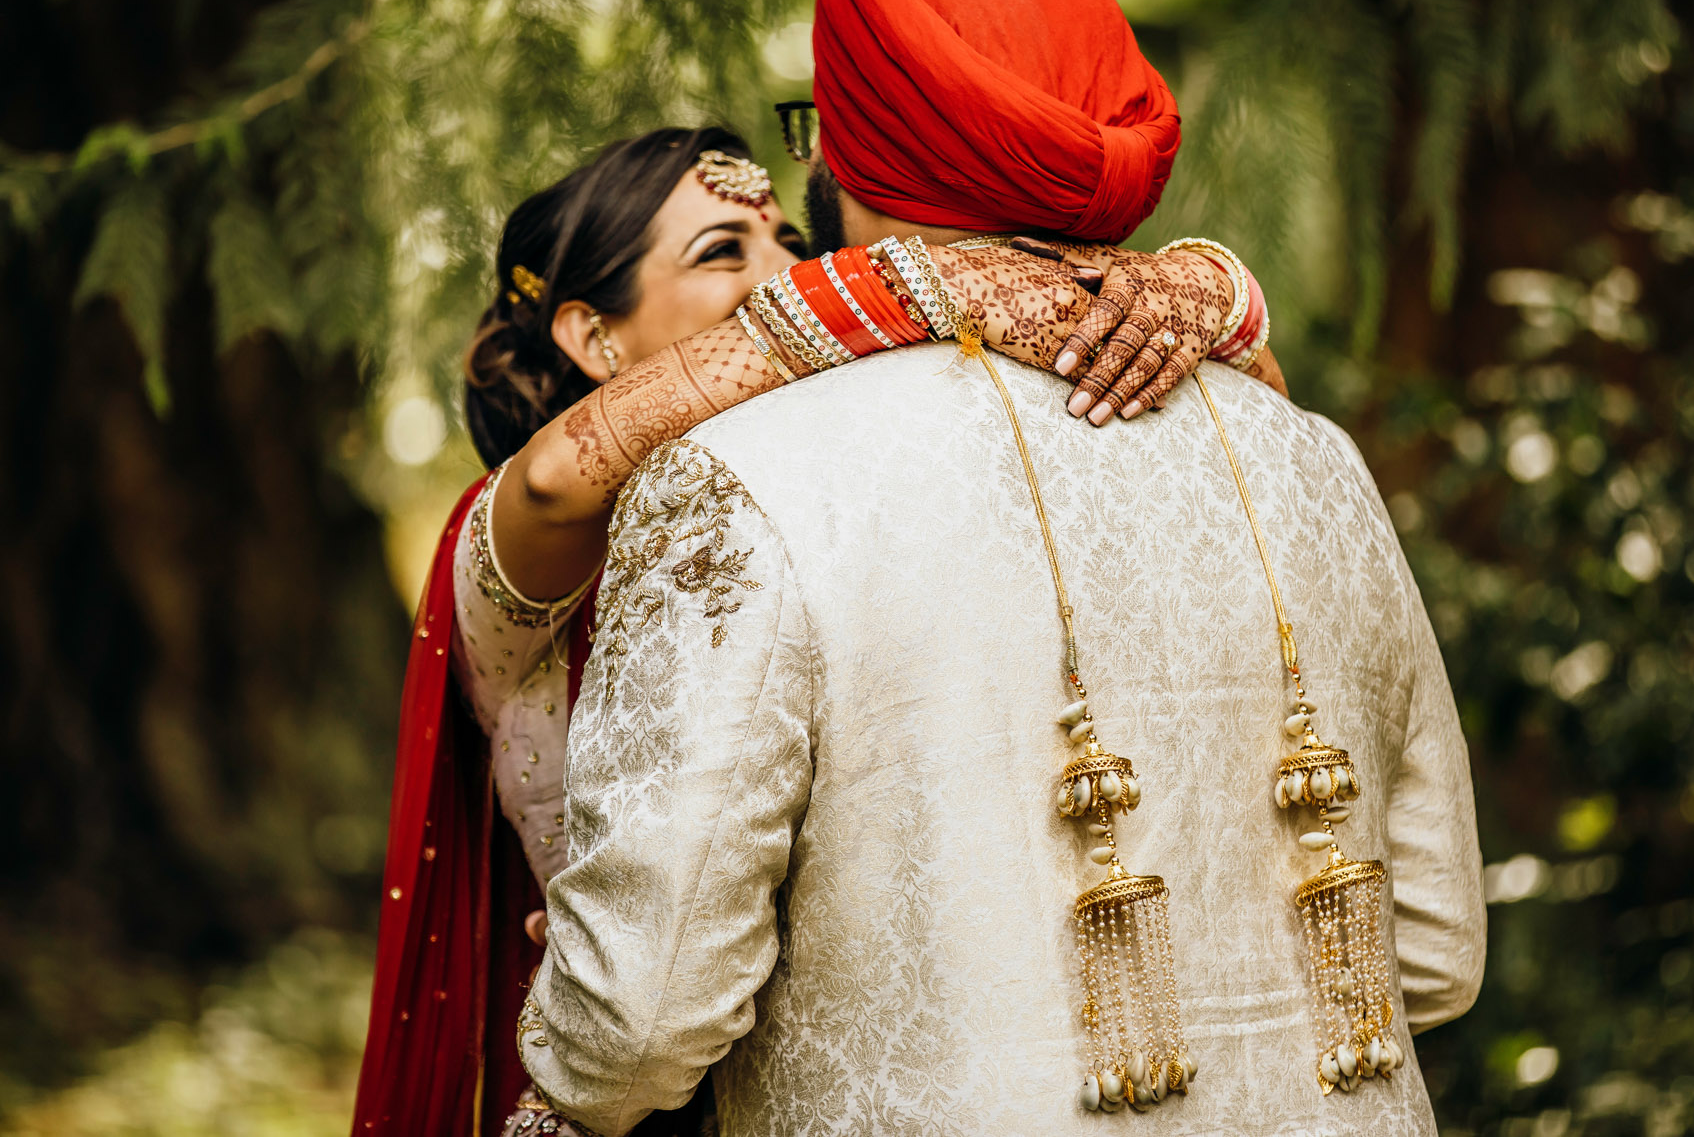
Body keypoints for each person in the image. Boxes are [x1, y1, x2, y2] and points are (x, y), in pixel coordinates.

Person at [516, 0, 1483, 1137]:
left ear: (863, 150)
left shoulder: (739, 472)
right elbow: (1434, 953)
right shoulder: (1314, 460)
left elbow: (637, 1024)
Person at [350, 124, 1275, 1136]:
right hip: (621, 1078)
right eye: (721, 252)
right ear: (590, 336)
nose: (787, 275)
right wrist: (934, 288)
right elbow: (553, 476)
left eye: (790, 240)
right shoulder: (519, 534)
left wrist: (1206, 292)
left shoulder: (821, 498)